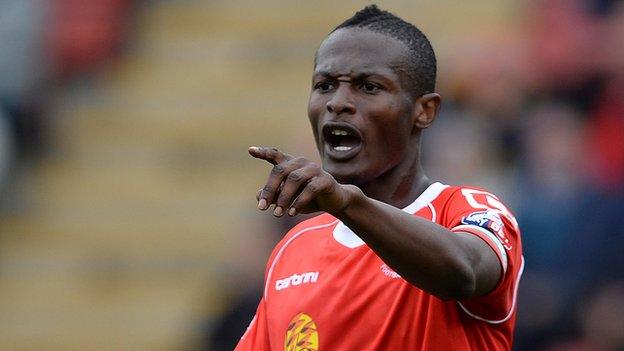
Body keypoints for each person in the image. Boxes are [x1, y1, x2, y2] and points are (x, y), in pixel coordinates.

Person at [236, 5, 523, 351]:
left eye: (368, 87)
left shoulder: (464, 210)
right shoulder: (293, 249)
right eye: (324, 85)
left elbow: (464, 272)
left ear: (424, 110)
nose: (337, 103)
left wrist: (347, 204)